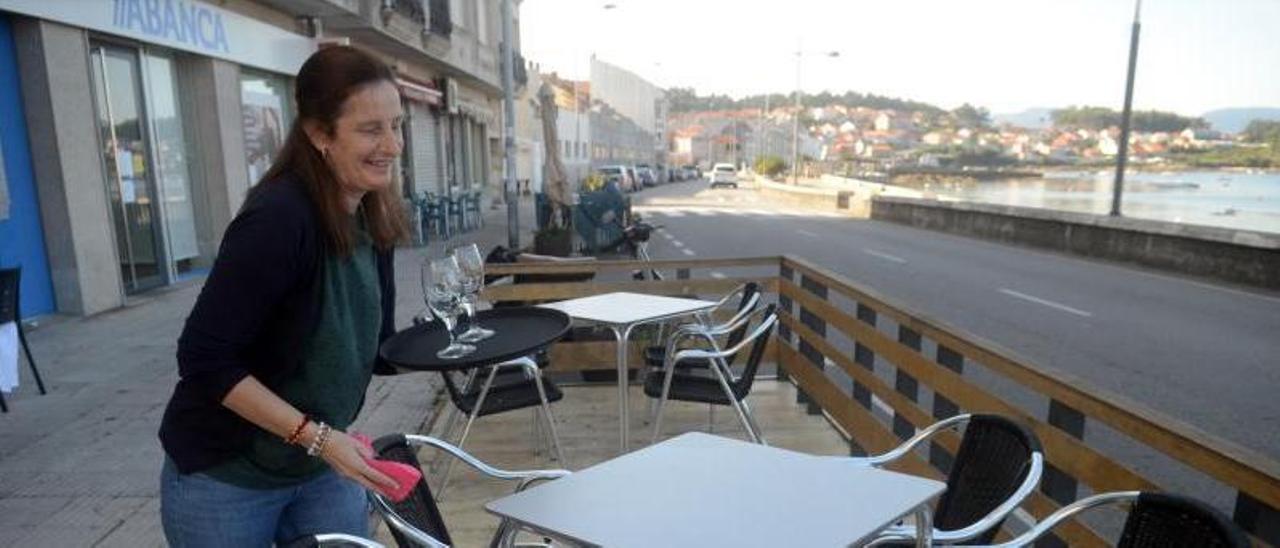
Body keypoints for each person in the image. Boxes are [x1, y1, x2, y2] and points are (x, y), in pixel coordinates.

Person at [158, 46, 410, 547]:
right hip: (228, 476)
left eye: (397, 125)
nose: (392, 145)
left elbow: (374, 348)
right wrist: (320, 439)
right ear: (319, 134)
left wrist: (455, 343)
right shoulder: (278, 218)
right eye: (370, 129)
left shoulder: (370, 210)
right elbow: (204, 359)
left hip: (320, 465)